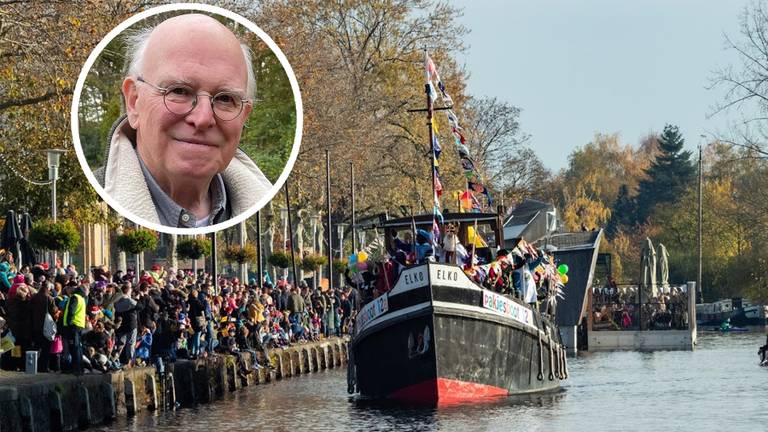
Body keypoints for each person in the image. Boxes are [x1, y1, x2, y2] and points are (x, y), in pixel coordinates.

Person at [93, 14, 272, 227]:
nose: (203, 118)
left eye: (225, 99)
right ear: (134, 101)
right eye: (179, 91)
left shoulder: (262, 204)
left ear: (243, 115)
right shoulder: (93, 200)